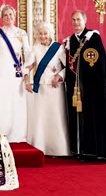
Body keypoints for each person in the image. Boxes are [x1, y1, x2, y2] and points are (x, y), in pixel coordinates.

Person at [64, 10, 106, 160]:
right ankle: (79, 150)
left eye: (78, 19)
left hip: (93, 87)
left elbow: (99, 63)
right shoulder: (69, 41)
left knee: (93, 117)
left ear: (85, 21)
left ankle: (95, 152)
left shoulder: (93, 38)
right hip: (75, 88)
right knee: (76, 117)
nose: (76, 23)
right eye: (73, 20)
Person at [23, 22, 70, 156]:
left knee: (56, 116)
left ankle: (59, 149)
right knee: (42, 118)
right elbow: (27, 66)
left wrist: (59, 76)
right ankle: (42, 148)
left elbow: (68, 67)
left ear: (50, 34)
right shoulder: (35, 48)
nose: (43, 36)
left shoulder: (58, 48)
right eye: (40, 34)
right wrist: (26, 80)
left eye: (45, 33)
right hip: (41, 87)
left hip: (56, 88)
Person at [0, 5, 30, 143]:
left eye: (11, 14)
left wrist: (27, 71)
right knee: (4, 101)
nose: (9, 18)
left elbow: (28, 54)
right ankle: (4, 131)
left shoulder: (22, 33)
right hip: (2, 72)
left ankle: (19, 133)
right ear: (2, 17)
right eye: (5, 15)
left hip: (17, 73)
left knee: (18, 101)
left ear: (15, 15)